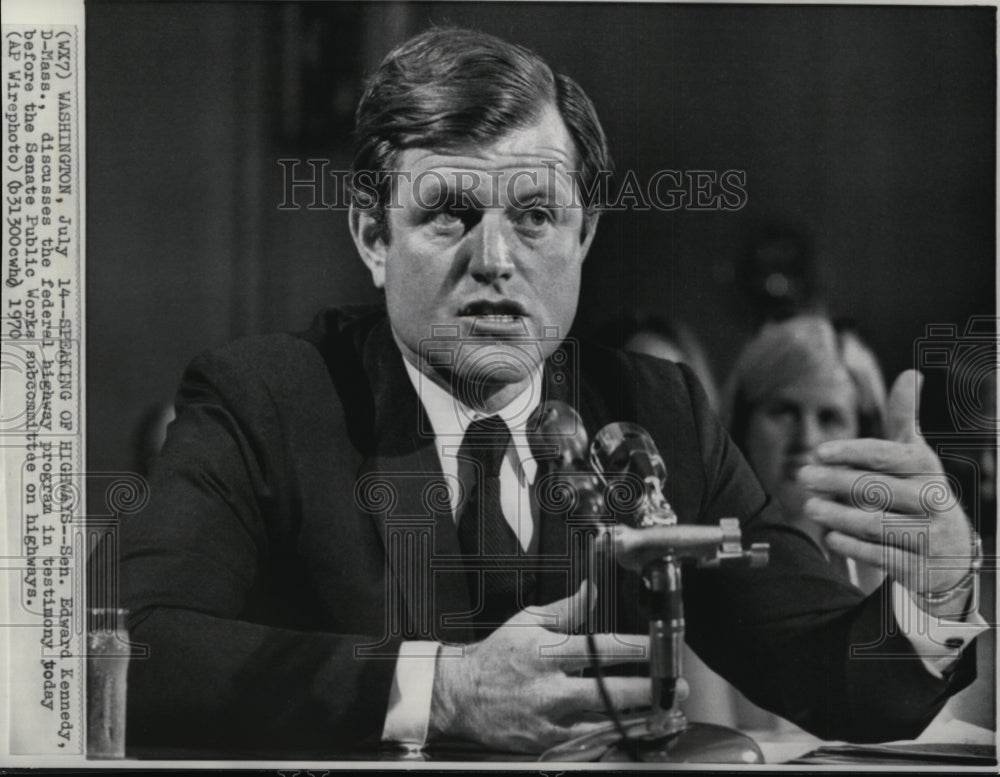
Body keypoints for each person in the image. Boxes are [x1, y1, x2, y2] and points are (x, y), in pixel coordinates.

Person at [115, 28, 983, 757]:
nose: (495, 259)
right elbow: (133, 649)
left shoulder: (658, 412)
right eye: (449, 211)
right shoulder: (265, 399)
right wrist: (440, 689)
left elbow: (838, 679)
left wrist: (936, 591)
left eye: (533, 215)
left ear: (584, 235)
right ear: (375, 236)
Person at [723, 316, 887, 592]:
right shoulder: (701, 553)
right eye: (784, 411)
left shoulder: (886, 568)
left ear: (863, 434)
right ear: (743, 424)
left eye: (829, 418)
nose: (806, 440)